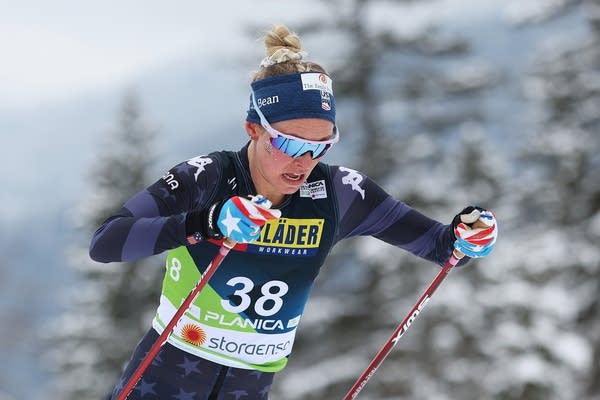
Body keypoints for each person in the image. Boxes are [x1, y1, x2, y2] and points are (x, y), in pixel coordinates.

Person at [90, 24, 498, 400]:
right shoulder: (208, 177)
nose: (304, 161)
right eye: (289, 143)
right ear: (254, 129)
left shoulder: (340, 193)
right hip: (166, 375)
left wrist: (469, 234)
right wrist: (206, 222)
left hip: (249, 386)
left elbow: (441, 247)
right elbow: (106, 241)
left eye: (320, 146)